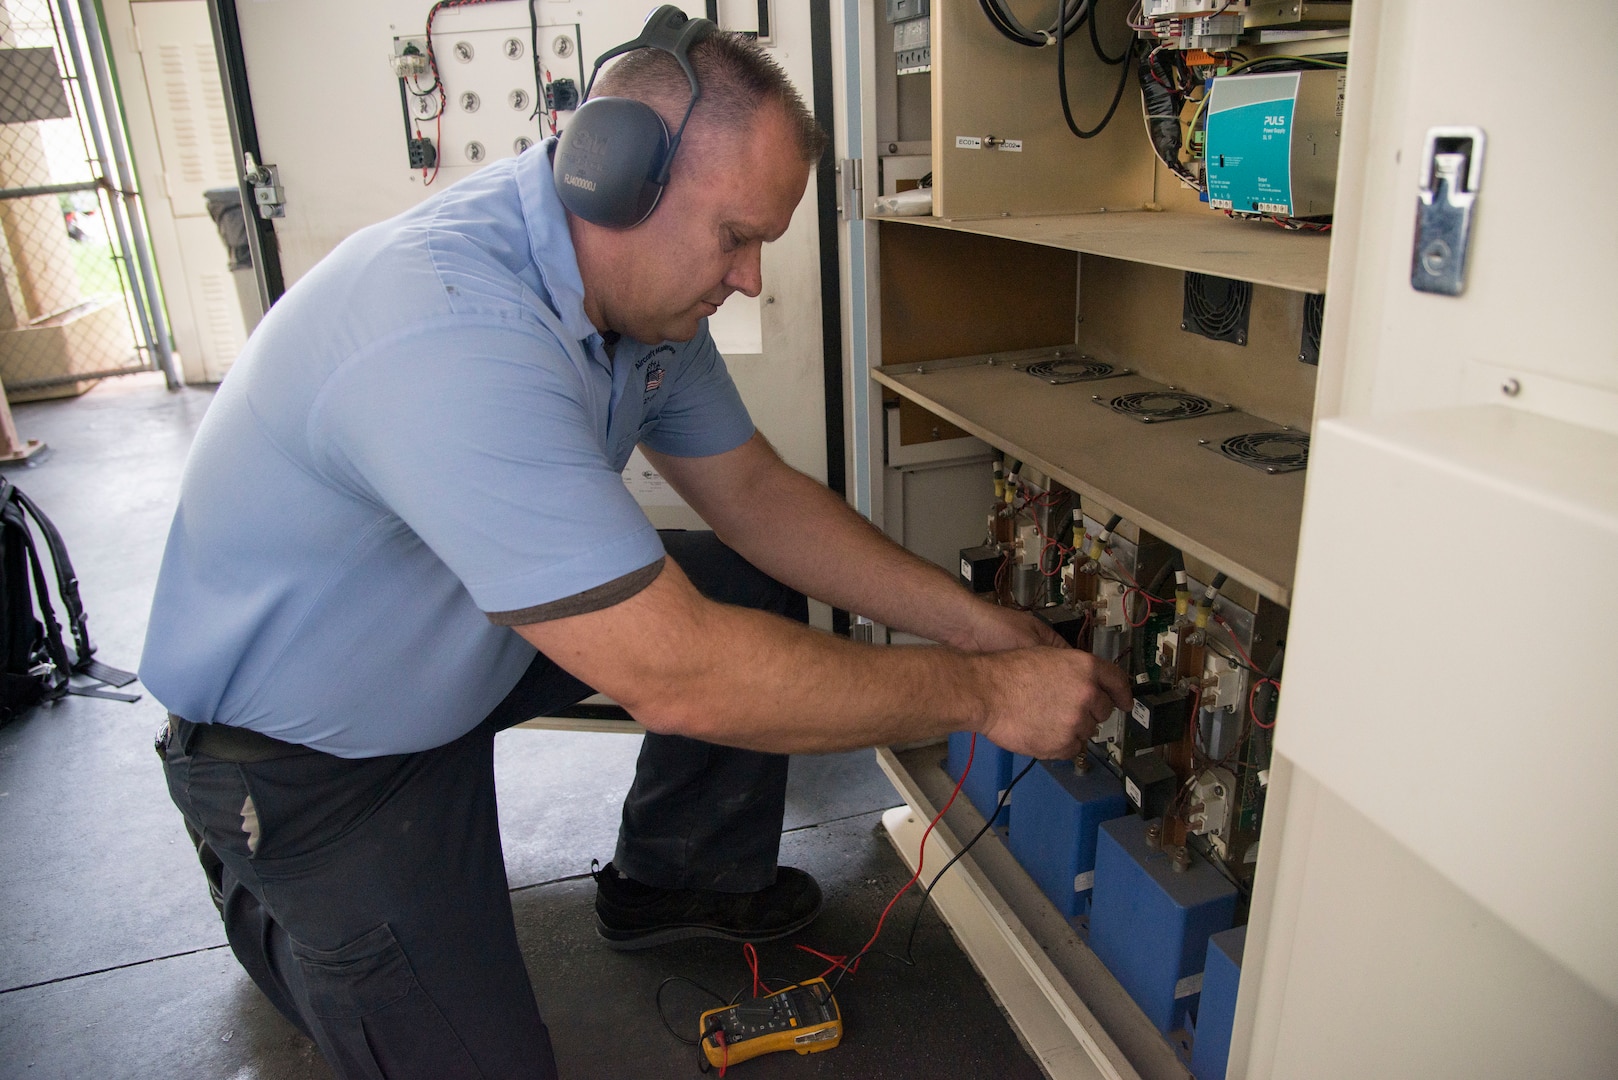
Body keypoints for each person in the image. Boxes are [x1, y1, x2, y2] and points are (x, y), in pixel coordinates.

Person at [143, 12, 1130, 1079]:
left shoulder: (640, 310)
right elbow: (679, 677)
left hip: (459, 626)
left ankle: (677, 875)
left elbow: (753, 496)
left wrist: (974, 623)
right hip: (317, 753)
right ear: (613, 178)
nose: (749, 278)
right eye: (736, 237)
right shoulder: (445, 326)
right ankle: (264, 885)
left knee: (739, 581)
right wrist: (986, 698)